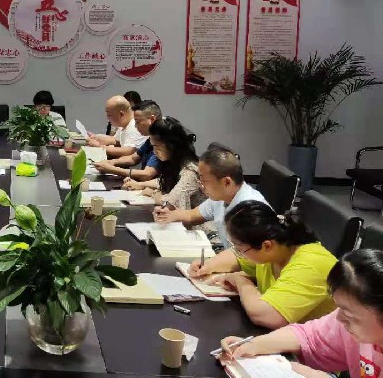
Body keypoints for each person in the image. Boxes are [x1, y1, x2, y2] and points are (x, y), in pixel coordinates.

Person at [219, 249, 383, 378]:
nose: (339, 318)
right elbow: (309, 336)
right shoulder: (349, 319)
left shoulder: (311, 262)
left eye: (350, 315)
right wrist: (254, 345)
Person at [196, 201, 336, 328]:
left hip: (320, 346)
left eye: (240, 249)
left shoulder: (309, 264)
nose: (239, 253)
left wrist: (242, 281)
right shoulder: (273, 245)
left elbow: (266, 315)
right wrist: (207, 265)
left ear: (267, 246)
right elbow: (236, 258)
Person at [153, 145, 269, 249]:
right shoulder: (222, 196)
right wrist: (166, 215)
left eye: (204, 181)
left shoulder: (249, 209)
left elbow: (244, 257)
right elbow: (192, 216)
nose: (201, 186)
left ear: (227, 182)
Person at [125, 117, 205, 211]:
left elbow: (171, 202)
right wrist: (140, 184)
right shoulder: (174, 162)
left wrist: (152, 193)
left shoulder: (190, 170)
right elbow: (164, 180)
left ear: (171, 145)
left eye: (156, 147)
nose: (154, 151)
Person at [94, 100, 162, 184]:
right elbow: (133, 158)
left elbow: (147, 174)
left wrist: (112, 169)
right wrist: (111, 162)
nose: (136, 126)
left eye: (138, 122)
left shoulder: (162, 141)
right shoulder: (151, 138)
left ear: (152, 119)